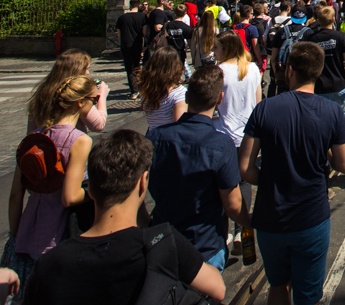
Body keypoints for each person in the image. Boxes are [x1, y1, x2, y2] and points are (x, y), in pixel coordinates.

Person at [23, 129, 225, 305]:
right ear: (143, 182)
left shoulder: (49, 264)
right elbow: (217, 289)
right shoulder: (162, 244)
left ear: (90, 188)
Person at [239, 41, 345, 305]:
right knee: (308, 295)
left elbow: (245, 168)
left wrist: (268, 180)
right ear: (319, 72)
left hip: (271, 216)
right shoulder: (332, 112)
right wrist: (324, 147)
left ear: (290, 70)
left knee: (278, 285)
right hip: (311, 215)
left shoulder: (265, 108)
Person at [147, 65, 251, 270]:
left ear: (187, 97)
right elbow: (233, 204)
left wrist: (146, 223)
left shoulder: (155, 137)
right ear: (220, 99)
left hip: (164, 239)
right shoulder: (221, 145)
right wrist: (247, 223)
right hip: (204, 245)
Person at [9, 76, 97, 293]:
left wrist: (15, 235)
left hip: (29, 228)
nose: (95, 105)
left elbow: (15, 195)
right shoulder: (79, 140)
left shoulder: (34, 138)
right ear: (80, 102)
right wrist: (95, 191)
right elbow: (70, 196)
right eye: (94, 100)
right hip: (60, 231)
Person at [214, 30, 262, 251]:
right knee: (244, 181)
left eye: (216, 47)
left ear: (226, 49)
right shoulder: (252, 69)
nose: (214, 51)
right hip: (248, 134)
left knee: (223, 183)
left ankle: (225, 232)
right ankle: (242, 229)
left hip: (223, 134)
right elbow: (258, 101)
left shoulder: (219, 72)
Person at [26, 49, 108, 133]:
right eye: (86, 69)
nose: (88, 73)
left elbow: (31, 131)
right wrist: (101, 96)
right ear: (78, 70)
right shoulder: (75, 93)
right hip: (72, 139)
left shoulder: (43, 91)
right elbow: (98, 125)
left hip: (44, 140)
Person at [304, 5, 345, 116]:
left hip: (318, 85)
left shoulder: (311, 39)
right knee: (340, 116)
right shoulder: (341, 37)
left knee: (320, 117)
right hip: (338, 84)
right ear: (333, 20)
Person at [136, 47, 188, 132]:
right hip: (168, 138)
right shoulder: (178, 93)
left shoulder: (147, 90)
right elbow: (178, 126)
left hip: (152, 135)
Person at [115, 0, 146, 98]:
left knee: (129, 68)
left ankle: (134, 91)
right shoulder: (143, 17)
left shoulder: (122, 18)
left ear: (130, 5)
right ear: (138, 5)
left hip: (126, 45)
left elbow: (118, 33)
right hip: (138, 44)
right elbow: (145, 31)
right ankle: (141, 89)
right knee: (137, 66)